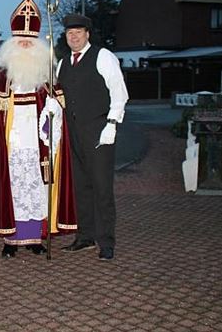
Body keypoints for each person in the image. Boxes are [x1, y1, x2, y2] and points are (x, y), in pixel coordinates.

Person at [0, 0, 76, 258]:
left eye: (30, 40)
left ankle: (34, 238)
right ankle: (11, 240)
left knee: (37, 187)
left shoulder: (46, 73)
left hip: (38, 140)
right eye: (21, 40)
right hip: (13, 139)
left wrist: (54, 107)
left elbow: (57, 103)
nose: (26, 44)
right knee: (14, 188)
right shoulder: (1, 74)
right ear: (13, 43)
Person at [56, 13, 129, 261]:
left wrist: (112, 124)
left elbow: (119, 93)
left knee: (101, 188)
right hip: (73, 132)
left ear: (87, 34)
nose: (73, 36)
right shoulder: (63, 62)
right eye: (69, 33)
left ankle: (106, 241)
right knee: (81, 187)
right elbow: (60, 97)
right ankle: (85, 237)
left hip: (99, 130)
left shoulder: (103, 57)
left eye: (78, 32)